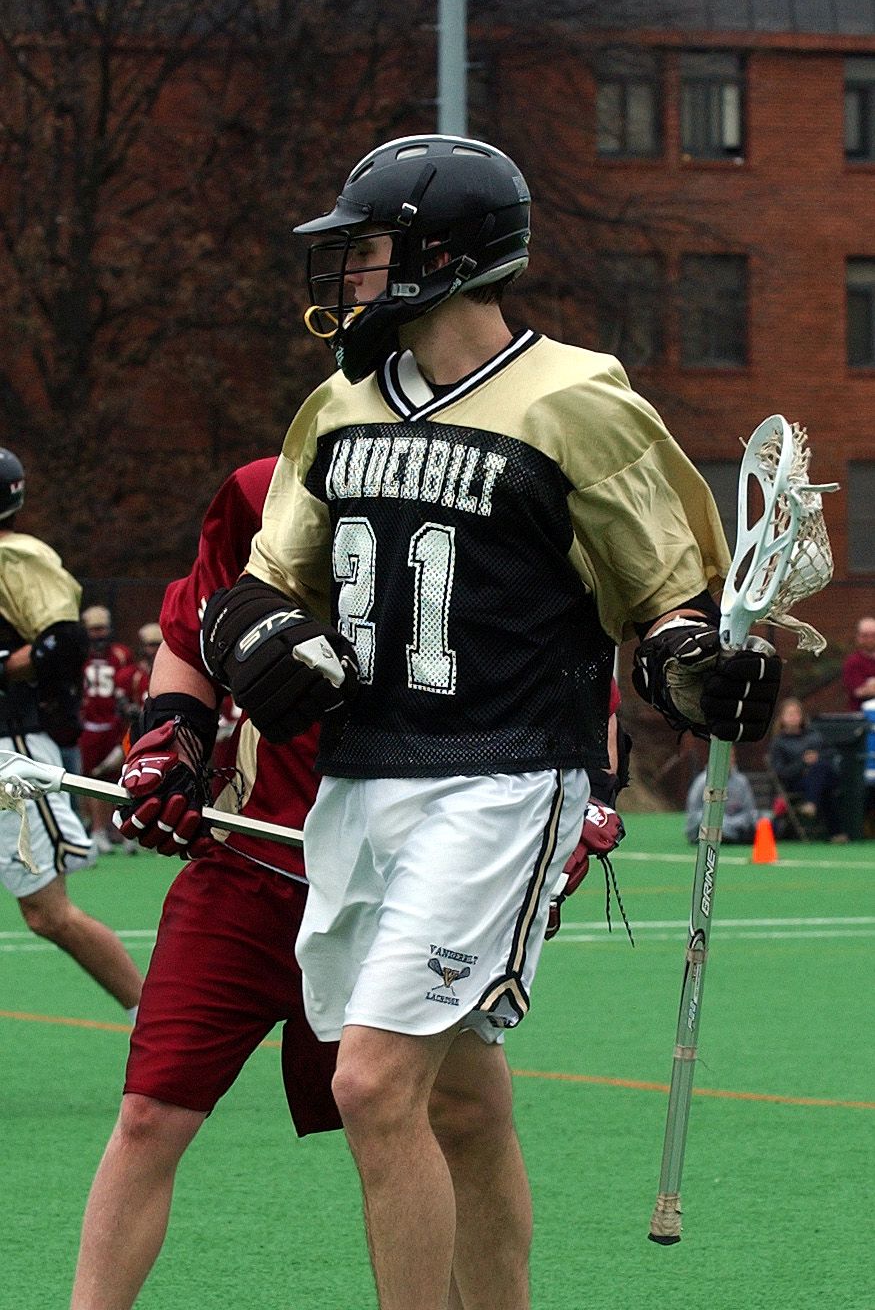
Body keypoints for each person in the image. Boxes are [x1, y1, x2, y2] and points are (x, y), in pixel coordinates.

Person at [188, 135, 781, 1309]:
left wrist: (695, 671)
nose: (350, 272)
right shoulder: (338, 404)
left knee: (370, 1084)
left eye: (369, 248)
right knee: (457, 1100)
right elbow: (265, 580)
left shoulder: (574, 398)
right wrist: (254, 636)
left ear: (441, 258)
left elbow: (661, 601)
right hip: (361, 777)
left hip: (501, 778)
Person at [69, 459, 345, 1310]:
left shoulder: (494, 472)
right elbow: (192, 638)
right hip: (250, 865)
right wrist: (172, 742)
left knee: (440, 1124)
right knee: (150, 1112)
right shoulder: (266, 487)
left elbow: (565, 654)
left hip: (406, 876)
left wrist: (589, 784)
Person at [0, 448, 142, 1023]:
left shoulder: (16, 558)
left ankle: (150, 1021)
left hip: (9, 752)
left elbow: (63, 643)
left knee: (48, 913)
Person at [78, 605, 133, 853]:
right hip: (89, 726)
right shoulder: (80, 654)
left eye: (101, 629)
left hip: (114, 725)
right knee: (91, 779)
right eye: (93, 629)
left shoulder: (120, 654)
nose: (98, 634)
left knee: (118, 777)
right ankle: (97, 830)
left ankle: (117, 829)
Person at [768, 695, 847, 841]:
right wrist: (803, 763)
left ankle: (811, 803)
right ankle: (836, 833)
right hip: (797, 782)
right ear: (782, 718)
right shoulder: (778, 743)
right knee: (823, 785)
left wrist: (816, 758)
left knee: (820, 768)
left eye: (796, 713)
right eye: (790, 714)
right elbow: (781, 772)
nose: (794, 717)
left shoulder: (814, 735)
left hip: (823, 776)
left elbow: (831, 754)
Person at [684, 747, 758, 844]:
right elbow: (694, 814)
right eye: (725, 756)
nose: (730, 760)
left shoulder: (741, 782)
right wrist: (722, 823)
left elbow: (749, 812)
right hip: (705, 827)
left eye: (731, 756)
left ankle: (729, 836)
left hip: (735, 824)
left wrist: (732, 823)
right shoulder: (703, 782)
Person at [841, 615, 875, 712]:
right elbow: (859, 692)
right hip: (860, 716)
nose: (870, 639)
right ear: (858, 637)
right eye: (865, 636)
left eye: (873, 635)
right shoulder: (852, 662)